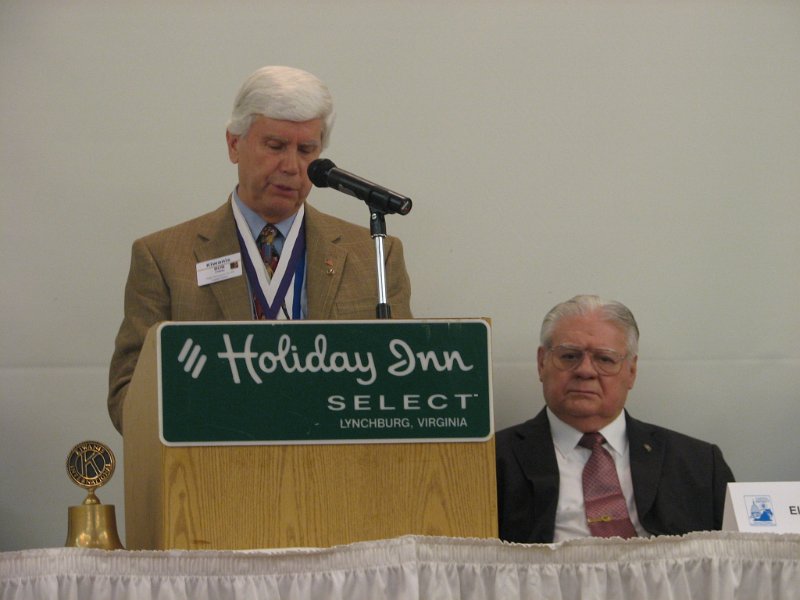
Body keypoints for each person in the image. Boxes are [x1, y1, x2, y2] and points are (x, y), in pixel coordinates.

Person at [108, 66, 412, 433]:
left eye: (306, 150)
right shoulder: (162, 258)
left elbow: (402, 386)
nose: (291, 166)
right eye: (275, 146)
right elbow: (127, 399)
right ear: (234, 145)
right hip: (215, 471)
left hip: (338, 471)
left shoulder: (375, 254)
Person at [495, 295, 734, 543]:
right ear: (541, 363)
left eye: (605, 359)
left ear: (631, 371)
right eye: (569, 356)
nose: (585, 371)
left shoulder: (701, 464)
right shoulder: (491, 463)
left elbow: (741, 566)